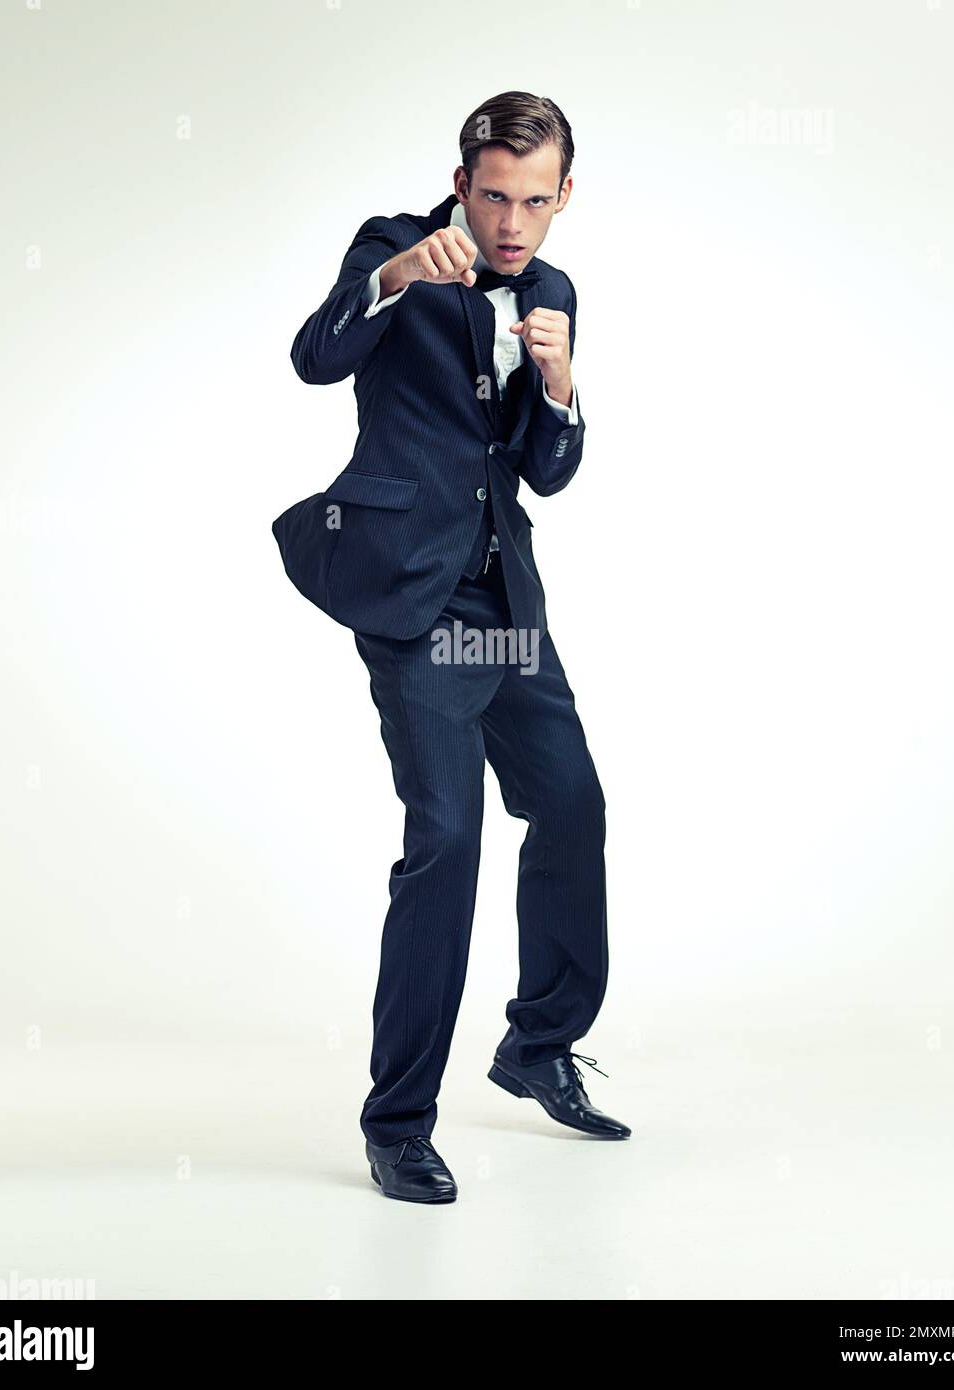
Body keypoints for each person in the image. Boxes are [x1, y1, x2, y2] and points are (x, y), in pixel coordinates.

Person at [273, 91, 630, 1205]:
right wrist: (390, 284)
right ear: (461, 179)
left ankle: (537, 1044)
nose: (512, 223)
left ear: (564, 193)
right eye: (493, 195)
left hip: (502, 593)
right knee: (448, 838)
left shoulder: (555, 290)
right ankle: (398, 1121)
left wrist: (561, 388)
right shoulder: (394, 248)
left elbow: (544, 469)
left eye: (536, 200)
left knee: (571, 804)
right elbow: (312, 358)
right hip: (417, 599)